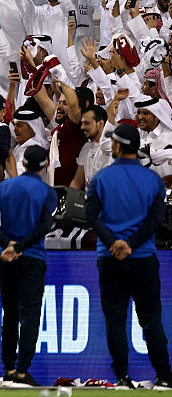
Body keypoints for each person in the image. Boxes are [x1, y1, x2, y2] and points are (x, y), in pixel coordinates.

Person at [85, 124, 172, 389]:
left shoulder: (101, 178)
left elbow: (91, 216)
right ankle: (165, 376)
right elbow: (157, 219)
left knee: (115, 319)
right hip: (143, 257)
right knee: (151, 319)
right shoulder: (153, 180)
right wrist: (131, 244)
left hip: (111, 258)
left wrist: (115, 243)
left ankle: (122, 377)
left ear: (118, 146)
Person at [0, 145, 58, 387]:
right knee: (30, 316)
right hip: (32, 257)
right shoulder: (47, 192)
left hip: (4, 258)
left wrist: (7, 244)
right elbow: (45, 225)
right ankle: (22, 373)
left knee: (10, 314)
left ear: (23, 164)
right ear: (45, 165)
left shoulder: (5, 186)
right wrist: (20, 246)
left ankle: (8, 368)